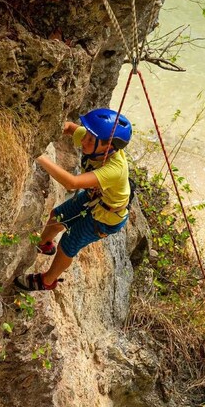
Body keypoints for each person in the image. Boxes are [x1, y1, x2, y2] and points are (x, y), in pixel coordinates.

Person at [14, 108, 132, 291]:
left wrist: (37, 154)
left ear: (108, 146)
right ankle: (43, 244)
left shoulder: (115, 169)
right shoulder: (96, 140)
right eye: (87, 136)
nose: (84, 140)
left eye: (90, 139)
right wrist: (46, 131)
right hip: (94, 198)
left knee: (68, 243)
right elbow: (69, 128)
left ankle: (47, 281)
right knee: (57, 216)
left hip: (106, 217)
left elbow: (72, 183)